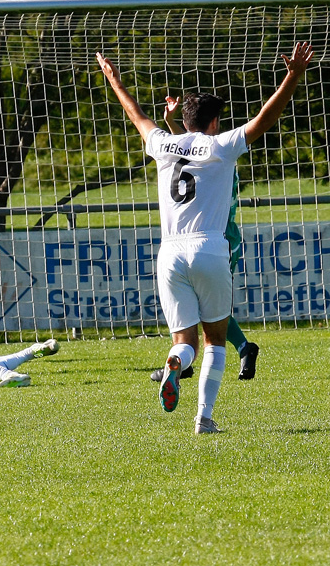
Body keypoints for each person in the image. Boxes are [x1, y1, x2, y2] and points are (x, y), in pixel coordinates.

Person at [97, 41, 313, 434]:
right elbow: (265, 118)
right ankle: (204, 418)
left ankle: (174, 362)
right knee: (215, 340)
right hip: (210, 247)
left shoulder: (163, 144)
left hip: (170, 253)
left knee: (186, 340)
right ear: (214, 122)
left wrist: (114, 79)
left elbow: (137, 114)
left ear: (184, 119)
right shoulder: (221, 146)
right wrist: (292, 77)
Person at [148, 96, 259, 384]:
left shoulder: (221, 153)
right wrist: (173, 122)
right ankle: (196, 365)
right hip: (209, 240)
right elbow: (186, 150)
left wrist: (172, 123)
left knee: (208, 315)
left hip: (219, 233)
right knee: (208, 313)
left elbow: (184, 150)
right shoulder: (218, 151)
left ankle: (186, 358)